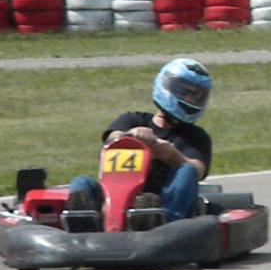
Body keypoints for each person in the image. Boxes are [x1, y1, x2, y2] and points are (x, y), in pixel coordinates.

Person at [66, 57, 213, 222]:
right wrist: (132, 135)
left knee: (187, 170)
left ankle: (163, 221)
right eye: (184, 91)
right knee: (81, 182)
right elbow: (111, 141)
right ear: (166, 87)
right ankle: (81, 219)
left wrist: (171, 155)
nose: (190, 100)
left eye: (196, 96)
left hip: (165, 199)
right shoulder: (132, 119)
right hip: (115, 194)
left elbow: (197, 171)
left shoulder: (195, 136)